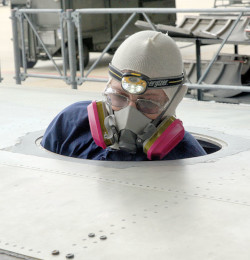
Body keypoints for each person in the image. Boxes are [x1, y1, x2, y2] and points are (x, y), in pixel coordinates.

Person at [41, 30, 206, 161]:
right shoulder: (70, 125)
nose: (129, 114)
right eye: (119, 97)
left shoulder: (187, 158)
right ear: (108, 87)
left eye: (148, 103)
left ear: (173, 103)